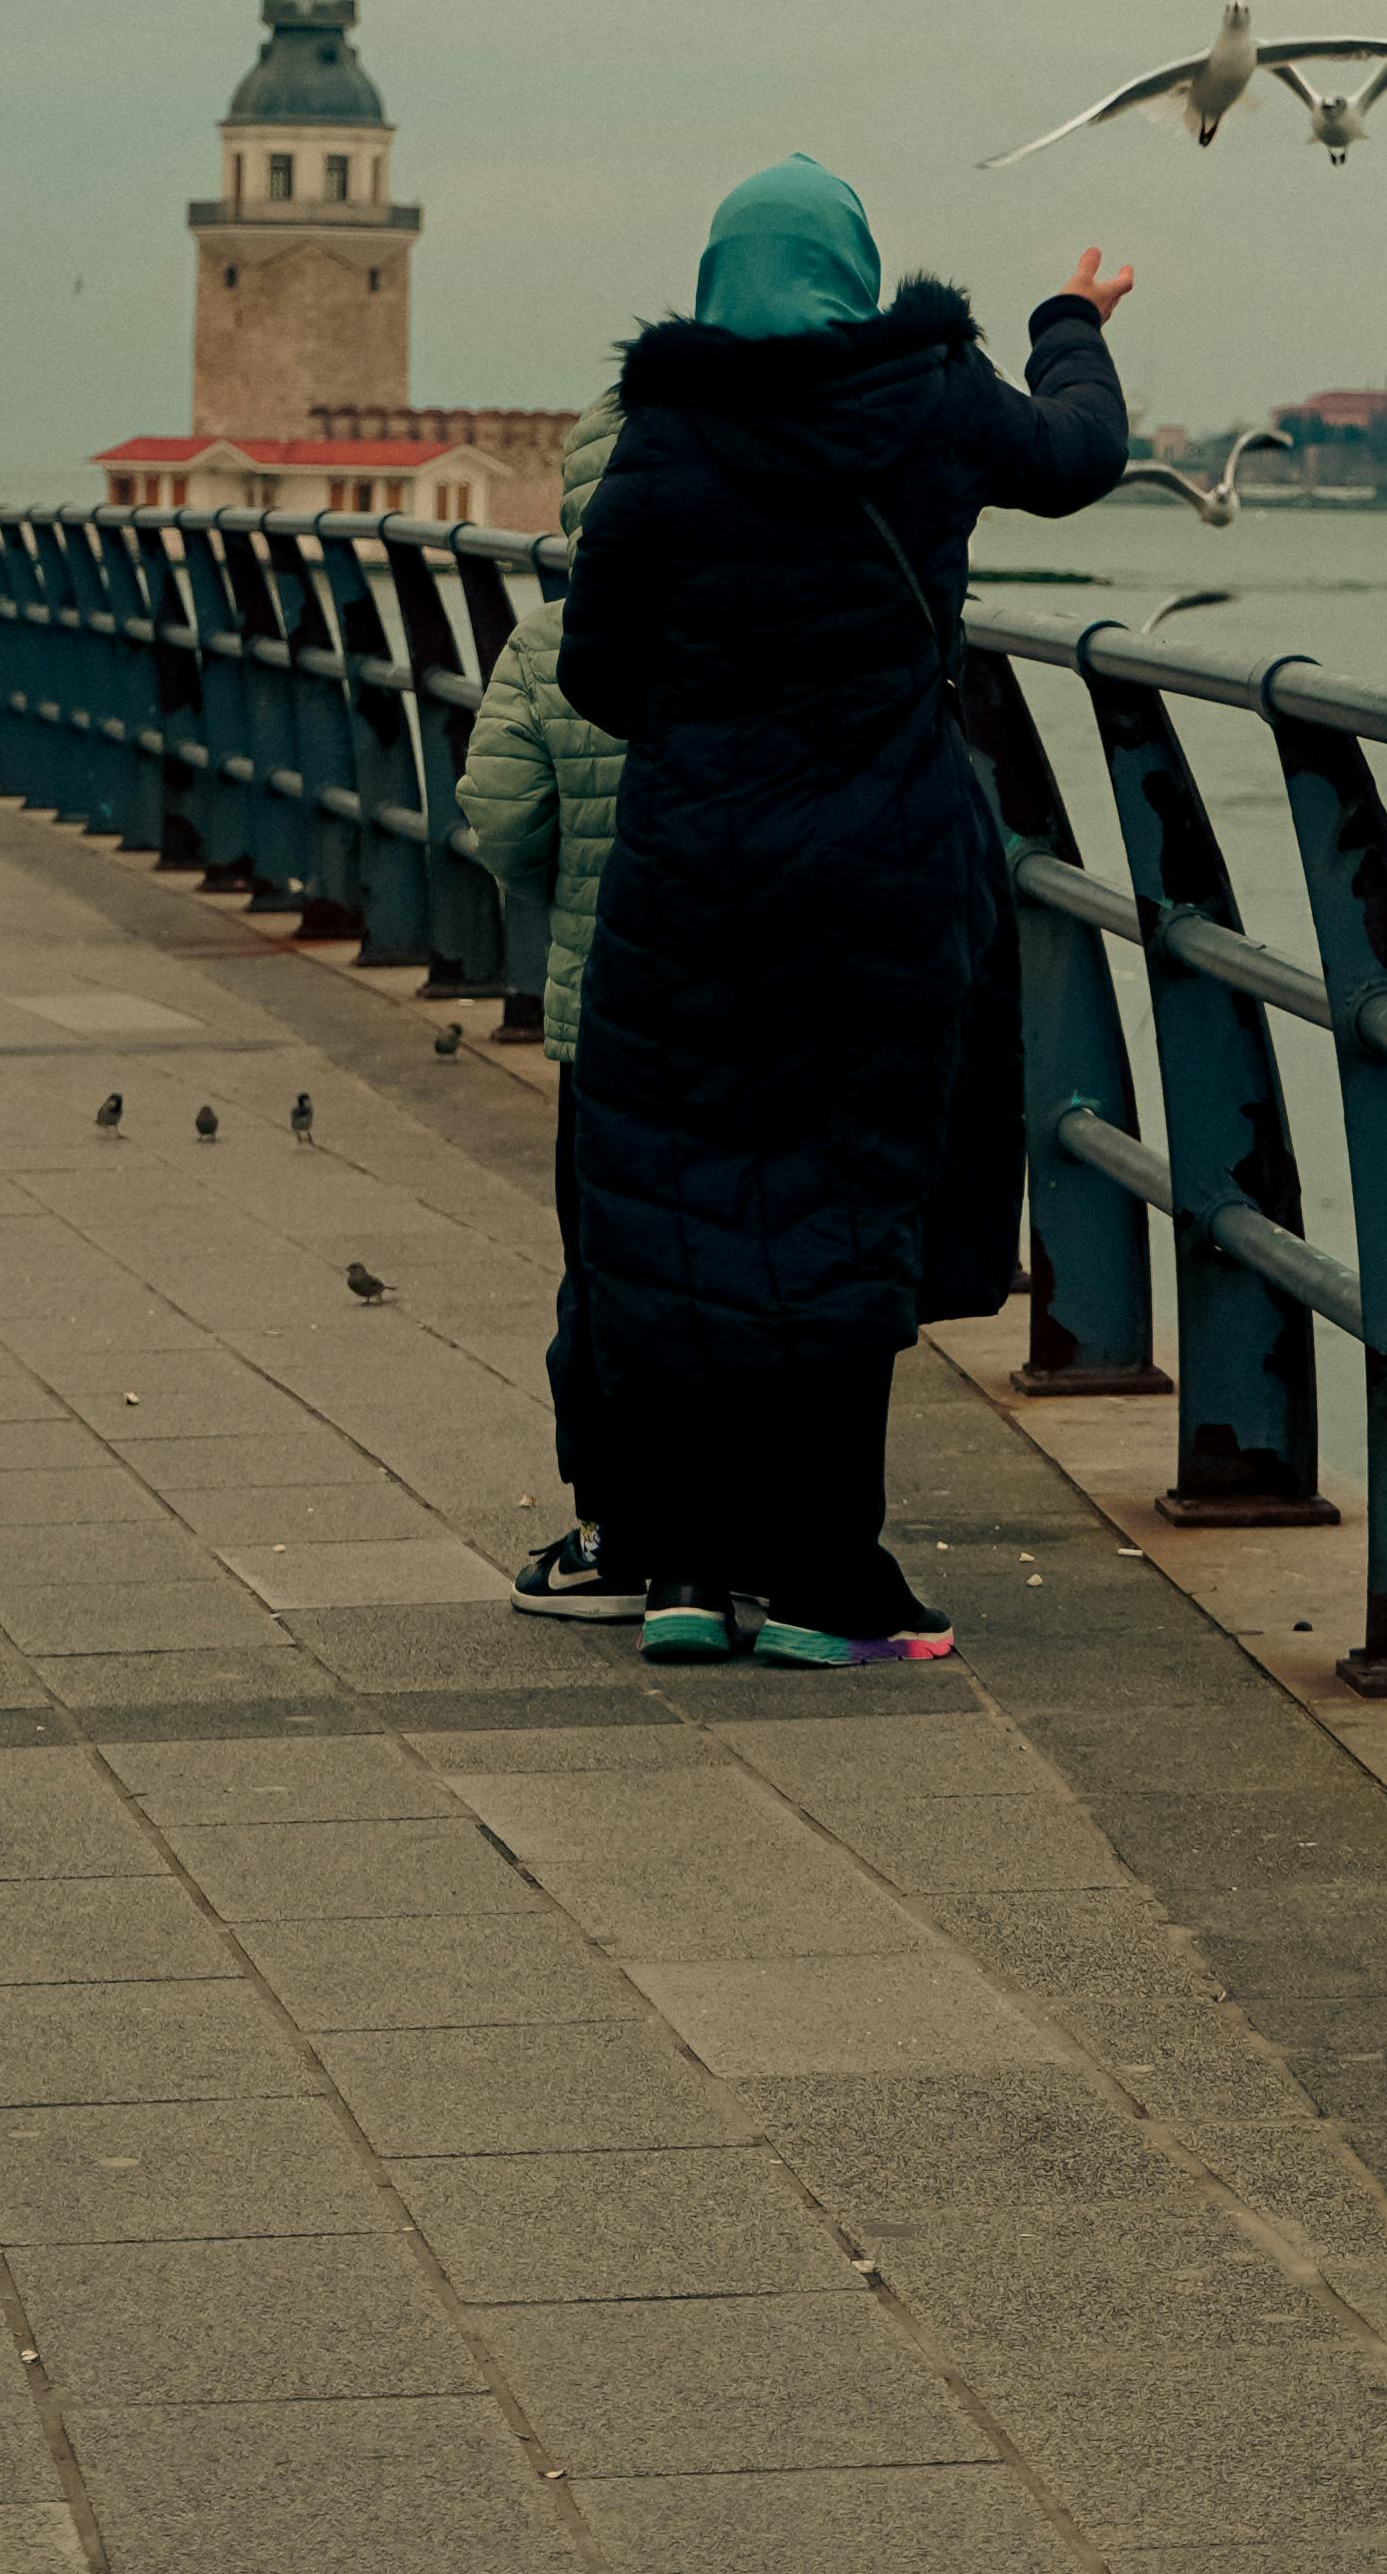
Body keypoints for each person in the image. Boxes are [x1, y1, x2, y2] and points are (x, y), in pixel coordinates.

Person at [557, 150, 1130, 1666]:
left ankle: (683, 1567)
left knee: (674, 1203)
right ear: (857, 271)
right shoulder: (934, 399)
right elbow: (1076, 456)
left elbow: (595, 668)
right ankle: (823, 1580)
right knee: (850, 1196)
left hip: (693, 878)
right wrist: (1069, 317)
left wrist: (713, 735)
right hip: (883, 876)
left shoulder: (665, 435)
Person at [455, 393, 644, 1622]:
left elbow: (505, 820)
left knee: (610, 1270)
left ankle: (614, 1534)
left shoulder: (551, 640)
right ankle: (754, 1535)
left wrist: (570, 891)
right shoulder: (776, 632)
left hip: (604, 1009)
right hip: (765, 1014)